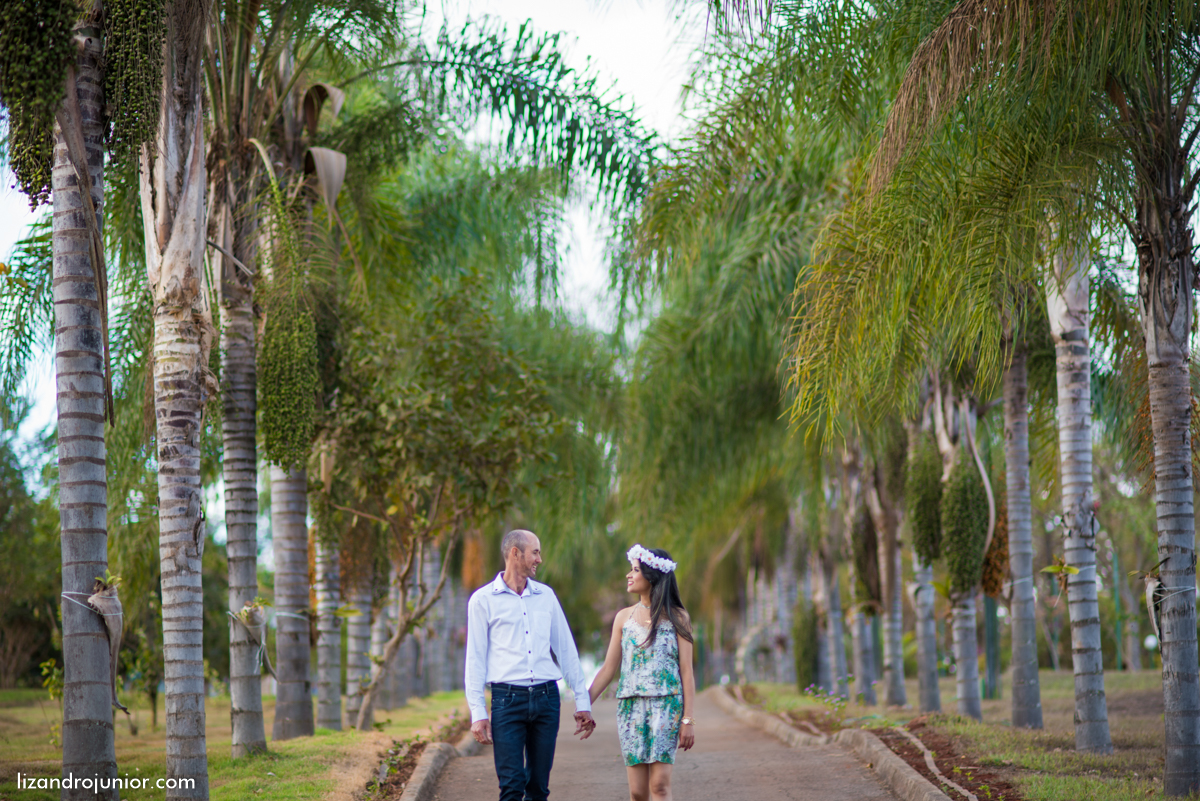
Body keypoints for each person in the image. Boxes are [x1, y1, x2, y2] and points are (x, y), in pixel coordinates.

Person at [465, 529, 596, 801]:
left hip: (547, 699)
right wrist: (477, 711)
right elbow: (475, 659)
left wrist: (582, 701)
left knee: (538, 788)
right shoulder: (482, 600)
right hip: (507, 700)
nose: (540, 559)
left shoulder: (546, 597)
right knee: (511, 786)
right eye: (535, 552)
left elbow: (566, 650)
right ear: (515, 553)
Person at [588, 544, 696, 801]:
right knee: (637, 792)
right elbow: (608, 669)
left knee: (659, 786)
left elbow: (686, 671)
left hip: (667, 706)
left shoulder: (678, 618)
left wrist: (688, 720)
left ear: (652, 576)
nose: (629, 575)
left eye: (635, 570)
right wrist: (583, 704)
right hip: (631, 708)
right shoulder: (623, 618)